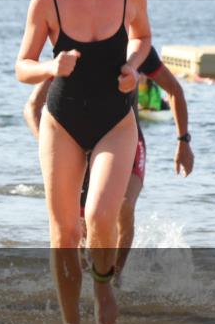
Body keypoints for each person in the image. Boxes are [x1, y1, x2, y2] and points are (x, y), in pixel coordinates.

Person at [14, 0, 151, 324]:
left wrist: (132, 65)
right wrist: (52, 65)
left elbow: (142, 36)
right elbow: (21, 66)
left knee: (100, 216)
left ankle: (104, 281)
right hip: (63, 119)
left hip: (116, 117)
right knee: (65, 231)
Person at [24, 45, 195, 285]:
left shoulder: (138, 51)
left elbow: (175, 91)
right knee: (81, 228)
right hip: (78, 147)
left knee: (123, 207)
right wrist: (52, 150)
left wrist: (183, 141)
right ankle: (87, 281)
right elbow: (32, 108)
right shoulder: (73, 49)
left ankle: (115, 280)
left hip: (126, 143)